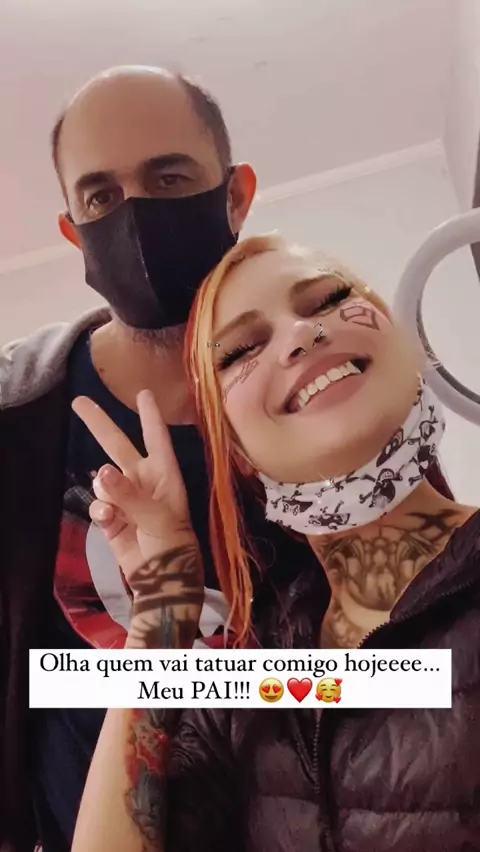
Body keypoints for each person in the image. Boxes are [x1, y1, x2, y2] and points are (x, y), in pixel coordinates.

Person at [72, 234, 480, 852]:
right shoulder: (256, 669)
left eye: (330, 299)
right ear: (233, 450)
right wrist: (161, 609)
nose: (302, 334)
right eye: (240, 349)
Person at [0, 70, 316, 852]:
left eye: (169, 178)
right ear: (73, 229)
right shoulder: (17, 419)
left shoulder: (330, 391)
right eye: (100, 196)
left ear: (235, 196)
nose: (135, 217)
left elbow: (421, 657)